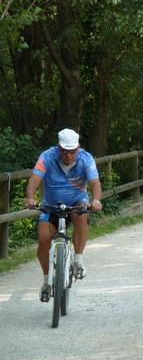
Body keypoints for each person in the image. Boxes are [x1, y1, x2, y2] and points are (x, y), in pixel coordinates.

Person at [25, 128, 103, 301]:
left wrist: (96, 200)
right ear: (58, 147)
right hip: (50, 205)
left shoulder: (86, 158)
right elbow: (34, 179)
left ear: (78, 147)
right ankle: (46, 281)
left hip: (77, 203)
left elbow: (95, 183)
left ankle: (78, 260)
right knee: (44, 239)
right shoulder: (46, 157)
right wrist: (30, 197)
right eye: (64, 152)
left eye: (72, 152)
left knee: (81, 216)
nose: (68, 156)